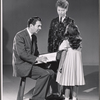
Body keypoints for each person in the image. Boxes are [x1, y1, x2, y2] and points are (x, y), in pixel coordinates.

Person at [12, 16, 55, 100]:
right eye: (38, 26)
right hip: (22, 65)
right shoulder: (20, 36)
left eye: (41, 26)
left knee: (52, 73)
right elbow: (22, 54)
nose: (40, 28)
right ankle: (37, 98)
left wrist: (46, 59)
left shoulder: (34, 37)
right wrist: (37, 59)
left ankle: (42, 96)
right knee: (45, 74)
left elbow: (36, 53)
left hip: (31, 63)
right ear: (31, 25)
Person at [48, 0, 74, 97]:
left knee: (63, 71)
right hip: (54, 51)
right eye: (59, 10)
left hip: (65, 51)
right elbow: (50, 37)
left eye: (62, 10)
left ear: (66, 9)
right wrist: (50, 52)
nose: (60, 12)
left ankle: (64, 93)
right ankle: (55, 92)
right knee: (53, 71)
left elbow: (71, 37)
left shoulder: (70, 21)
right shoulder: (53, 21)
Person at [56, 24, 85, 100]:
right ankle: (74, 98)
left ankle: (66, 98)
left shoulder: (65, 42)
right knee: (75, 83)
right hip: (77, 65)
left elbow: (63, 56)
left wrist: (60, 67)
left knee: (67, 84)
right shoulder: (79, 42)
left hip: (68, 65)